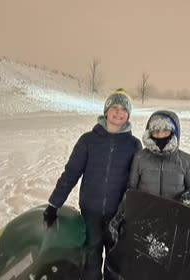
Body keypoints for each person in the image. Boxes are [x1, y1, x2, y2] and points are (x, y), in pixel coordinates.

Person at [43, 88, 142, 280]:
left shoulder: (133, 145)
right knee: (91, 257)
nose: (118, 112)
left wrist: (132, 212)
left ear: (128, 115)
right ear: (106, 111)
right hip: (91, 212)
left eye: (123, 109)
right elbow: (71, 173)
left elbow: (136, 182)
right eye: (114, 107)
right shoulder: (88, 140)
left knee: (116, 259)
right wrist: (54, 204)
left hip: (118, 215)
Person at [128, 110, 190, 209]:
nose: (160, 135)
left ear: (174, 132)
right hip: (145, 214)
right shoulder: (140, 158)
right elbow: (131, 189)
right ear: (149, 132)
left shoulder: (187, 161)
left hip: (176, 216)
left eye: (165, 131)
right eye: (156, 131)